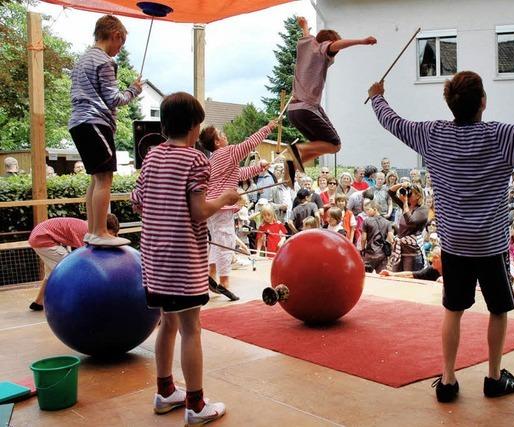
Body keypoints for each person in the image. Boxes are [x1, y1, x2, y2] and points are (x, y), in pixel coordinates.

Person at [368, 66, 514, 402]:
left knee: (453, 309)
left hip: (454, 244)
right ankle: (493, 378)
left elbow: (392, 121)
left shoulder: (432, 135)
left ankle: (447, 381)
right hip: (490, 245)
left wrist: (377, 97)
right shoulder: (501, 136)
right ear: (483, 102)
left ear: (450, 103)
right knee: (497, 309)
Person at [131, 92, 240, 425]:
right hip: (182, 260)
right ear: (195, 128)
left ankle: (165, 392)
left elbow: (137, 201)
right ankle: (195, 405)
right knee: (191, 328)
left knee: (167, 322)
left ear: (164, 125)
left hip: (154, 258)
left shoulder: (151, 157)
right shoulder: (195, 160)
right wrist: (226, 198)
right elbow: (198, 211)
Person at [68, 15, 141, 247]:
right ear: (116, 35)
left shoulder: (83, 60)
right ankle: (100, 230)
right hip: (95, 122)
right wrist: (133, 90)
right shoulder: (104, 61)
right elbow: (113, 99)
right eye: (121, 43)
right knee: (105, 178)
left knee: (96, 178)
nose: (119, 50)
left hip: (79, 122)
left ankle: (92, 229)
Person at [285, 16, 376, 171]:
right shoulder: (322, 48)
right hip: (307, 108)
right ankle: (298, 149)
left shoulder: (307, 45)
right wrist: (362, 41)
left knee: (320, 146)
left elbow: (307, 35)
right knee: (335, 145)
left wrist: (304, 25)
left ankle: (293, 166)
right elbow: (334, 45)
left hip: (293, 111)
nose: (335, 54)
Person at [199, 120, 276, 301]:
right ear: (217, 142)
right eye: (221, 134)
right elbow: (250, 144)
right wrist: (268, 127)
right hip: (222, 207)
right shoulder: (228, 152)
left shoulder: (215, 159)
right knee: (225, 242)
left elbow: (239, 174)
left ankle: (212, 272)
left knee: (216, 241)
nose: (225, 135)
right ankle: (224, 281)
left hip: (211, 206)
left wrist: (258, 168)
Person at [27, 214, 119, 311]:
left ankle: (38, 302)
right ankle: (74, 304)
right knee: (70, 270)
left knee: (51, 274)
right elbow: (88, 254)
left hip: (40, 237)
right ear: (103, 228)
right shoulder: (87, 231)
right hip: (43, 239)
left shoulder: (87, 226)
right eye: (110, 234)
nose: (109, 237)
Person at [387, 182, 429, 272]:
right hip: (401, 249)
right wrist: (402, 185)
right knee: (396, 277)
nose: (408, 195)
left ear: (418, 196)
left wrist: (405, 203)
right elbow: (390, 192)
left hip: (412, 252)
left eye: (411, 193)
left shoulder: (423, 209)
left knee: (408, 278)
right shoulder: (406, 206)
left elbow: (410, 221)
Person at [361, 200, 394, 273]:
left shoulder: (366, 221)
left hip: (369, 254)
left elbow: (363, 238)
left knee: (366, 276)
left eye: (368, 209)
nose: (366, 212)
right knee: (382, 276)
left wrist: (362, 250)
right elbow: (391, 238)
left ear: (375, 209)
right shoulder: (387, 223)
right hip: (382, 254)